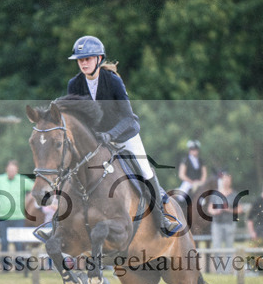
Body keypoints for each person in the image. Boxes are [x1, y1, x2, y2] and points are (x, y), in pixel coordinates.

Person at [65, 35, 181, 235]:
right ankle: (59, 223)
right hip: (96, 142)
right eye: (80, 60)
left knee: (145, 170)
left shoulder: (113, 81)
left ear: (99, 59)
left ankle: (162, 218)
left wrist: (110, 135)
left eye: (88, 59)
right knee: (70, 167)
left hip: (124, 135)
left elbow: (129, 118)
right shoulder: (74, 84)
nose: (83, 63)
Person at [0, 159, 34, 260]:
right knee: (4, 242)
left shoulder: (22, 179)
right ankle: (5, 267)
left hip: (18, 217)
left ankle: (20, 266)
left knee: (18, 243)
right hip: (3, 217)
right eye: (10, 170)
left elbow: (34, 188)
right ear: (6, 169)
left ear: (17, 170)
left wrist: (28, 200)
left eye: (13, 170)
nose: (11, 172)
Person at [206, 170, 240, 274]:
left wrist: (228, 210)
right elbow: (209, 209)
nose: (226, 182)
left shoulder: (234, 194)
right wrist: (216, 211)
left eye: (228, 180)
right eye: (224, 179)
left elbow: (240, 209)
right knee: (217, 247)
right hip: (217, 224)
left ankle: (227, 271)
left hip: (229, 223)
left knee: (229, 248)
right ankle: (218, 271)